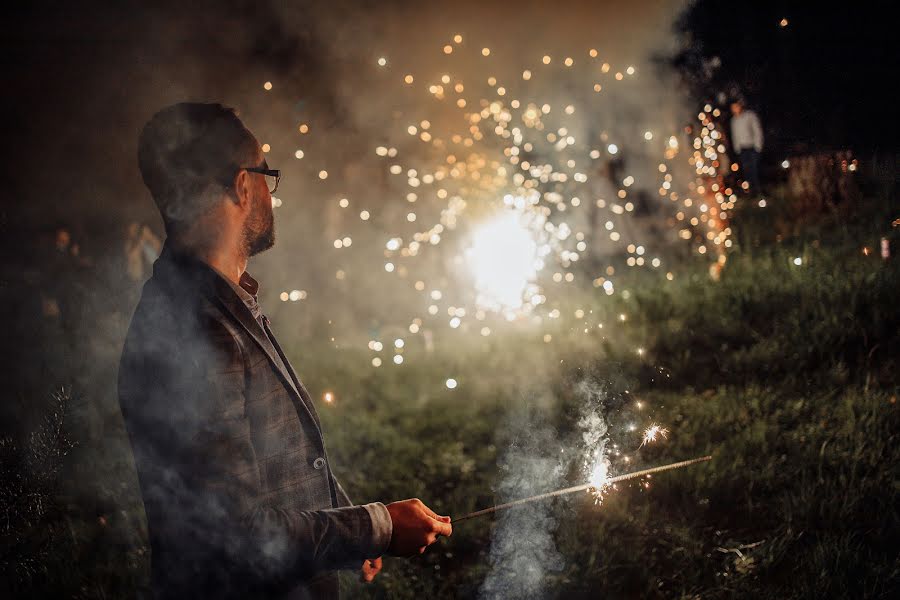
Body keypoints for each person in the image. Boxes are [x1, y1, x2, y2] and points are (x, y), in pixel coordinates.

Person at [118, 103, 452, 599]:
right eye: (266, 175)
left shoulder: (220, 301)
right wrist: (376, 526)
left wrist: (344, 520)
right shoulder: (195, 331)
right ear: (241, 185)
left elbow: (275, 464)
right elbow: (235, 536)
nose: (272, 196)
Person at [729, 99, 764, 194]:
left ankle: (759, 190)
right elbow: (734, 135)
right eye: (732, 108)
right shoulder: (733, 121)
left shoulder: (750, 116)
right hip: (742, 149)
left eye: (735, 107)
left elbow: (757, 130)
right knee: (746, 170)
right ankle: (750, 191)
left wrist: (758, 146)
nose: (734, 109)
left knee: (754, 169)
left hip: (752, 147)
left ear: (740, 106)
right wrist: (737, 148)